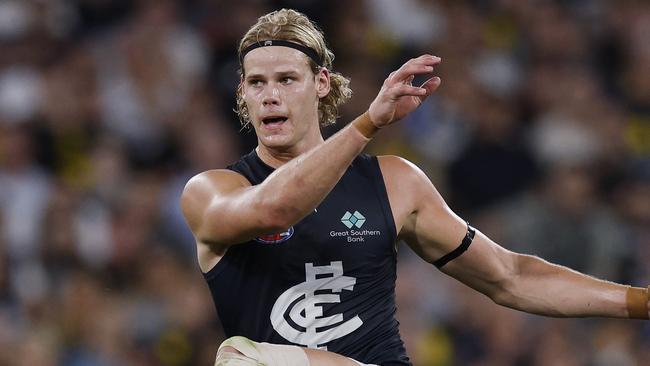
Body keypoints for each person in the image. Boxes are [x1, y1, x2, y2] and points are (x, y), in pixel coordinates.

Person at [180, 8, 649, 366]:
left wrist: (639, 302)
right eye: (257, 83)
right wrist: (367, 123)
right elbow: (275, 209)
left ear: (321, 83)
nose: (270, 95)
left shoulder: (394, 182)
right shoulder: (212, 191)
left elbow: (510, 277)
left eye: (286, 79)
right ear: (241, 92)